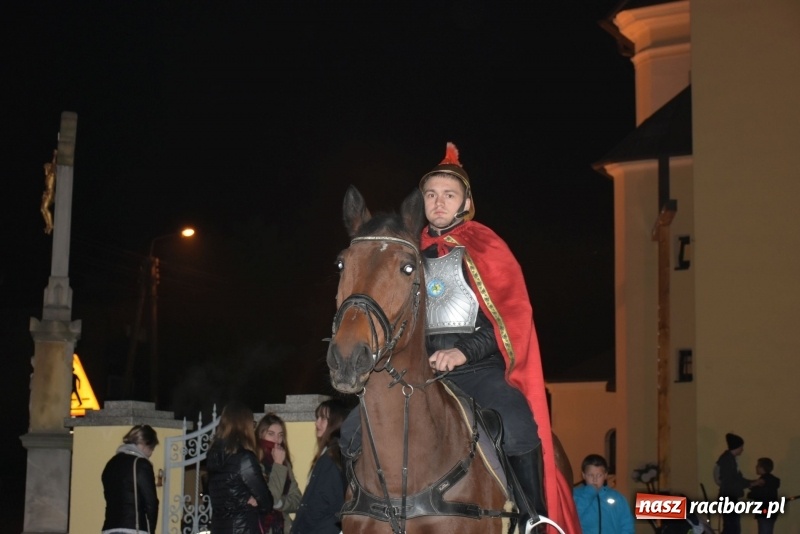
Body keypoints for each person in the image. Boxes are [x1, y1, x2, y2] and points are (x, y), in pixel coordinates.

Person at [417, 142, 580, 532]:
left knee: (518, 421)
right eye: (431, 195)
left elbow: (509, 319)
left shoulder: (485, 245)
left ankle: (535, 520)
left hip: (477, 369)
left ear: (465, 202)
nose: (439, 203)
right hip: (419, 372)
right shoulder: (408, 252)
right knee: (356, 428)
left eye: (449, 195)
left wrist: (462, 353)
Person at [207, 402, 273, 534]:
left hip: (219, 528)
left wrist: (245, 499)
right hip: (242, 528)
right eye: (252, 424)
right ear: (245, 426)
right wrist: (254, 502)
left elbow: (225, 497)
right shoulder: (244, 458)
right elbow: (267, 502)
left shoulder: (212, 456)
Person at [291, 399, 349, 534]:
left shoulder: (333, 457)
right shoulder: (330, 454)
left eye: (323, 418)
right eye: (317, 417)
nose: (317, 423)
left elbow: (329, 502)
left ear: (336, 422)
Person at [101, 424, 160, 534]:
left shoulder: (111, 464)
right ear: (144, 444)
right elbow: (151, 502)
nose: (151, 453)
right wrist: (151, 529)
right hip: (133, 528)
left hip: (109, 527)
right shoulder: (141, 464)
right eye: (151, 448)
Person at [256, 413, 303, 534]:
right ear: (261, 434)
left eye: (280, 435)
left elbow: (297, 500)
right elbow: (269, 498)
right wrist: (278, 464)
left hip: (284, 528)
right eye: (271, 434)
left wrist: (280, 503)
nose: (276, 440)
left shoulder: (284, 462)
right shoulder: (254, 461)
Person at [572, 454, 634, 534]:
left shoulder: (617, 498)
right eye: (590, 475)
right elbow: (572, 517)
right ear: (584, 475)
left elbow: (627, 525)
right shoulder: (575, 495)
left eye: (599, 475)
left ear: (605, 475)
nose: (595, 479)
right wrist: (589, 493)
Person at [716, 432, 757, 534]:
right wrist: (751, 483)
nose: (742, 449)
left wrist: (751, 483)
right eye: (741, 447)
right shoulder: (729, 461)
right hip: (729, 498)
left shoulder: (728, 459)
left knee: (730, 527)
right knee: (732, 528)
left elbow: (736, 479)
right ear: (737, 447)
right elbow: (733, 481)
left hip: (727, 498)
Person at [749, 457, 781, 534]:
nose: (756, 467)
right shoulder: (772, 480)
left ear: (762, 468)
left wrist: (752, 490)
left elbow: (756, 494)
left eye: (757, 466)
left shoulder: (762, 481)